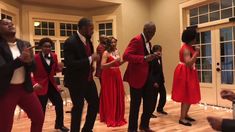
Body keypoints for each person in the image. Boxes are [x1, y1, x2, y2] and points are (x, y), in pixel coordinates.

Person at [0, 18, 44, 132]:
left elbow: (33, 68)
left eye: (11, 23)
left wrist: (29, 61)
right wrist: (20, 60)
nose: (10, 25)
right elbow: (2, 70)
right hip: (6, 90)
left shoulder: (24, 44)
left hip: (25, 88)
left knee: (39, 118)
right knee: (4, 126)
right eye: (5, 24)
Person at [63, 17, 100, 132]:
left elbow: (84, 58)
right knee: (78, 108)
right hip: (76, 82)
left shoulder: (88, 40)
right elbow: (70, 64)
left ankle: (87, 129)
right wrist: (90, 59)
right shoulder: (70, 42)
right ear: (83, 28)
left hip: (88, 80)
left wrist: (91, 66)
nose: (93, 31)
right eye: (91, 28)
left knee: (95, 104)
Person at [123, 21, 157, 132]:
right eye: (152, 32)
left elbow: (146, 57)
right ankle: (132, 130)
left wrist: (153, 56)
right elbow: (126, 56)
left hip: (147, 77)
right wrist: (144, 58)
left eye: (154, 32)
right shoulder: (136, 40)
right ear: (146, 30)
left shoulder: (149, 43)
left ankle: (144, 125)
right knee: (135, 106)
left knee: (149, 104)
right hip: (136, 78)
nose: (153, 34)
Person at [31, 37, 69, 132]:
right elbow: (29, 73)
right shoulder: (35, 58)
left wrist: (60, 68)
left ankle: (59, 125)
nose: (48, 48)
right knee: (41, 109)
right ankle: (38, 128)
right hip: (40, 86)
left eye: (49, 46)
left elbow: (55, 70)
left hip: (52, 85)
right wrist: (34, 84)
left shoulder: (54, 56)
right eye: (45, 46)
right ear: (41, 47)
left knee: (59, 103)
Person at [171, 28, 201, 126]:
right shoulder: (186, 49)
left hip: (189, 72)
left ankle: (185, 115)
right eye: (195, 37)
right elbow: (188, 63)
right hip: (184, 72)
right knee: (186, 95)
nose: (196, 39)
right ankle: (182, 118)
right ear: (191, 38)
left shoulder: (189, 46)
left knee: (189, 94)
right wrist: (196, 53)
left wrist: (195, 52)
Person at [99, 37, 126, 127]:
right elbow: (102, 66)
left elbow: (118, 64)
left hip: (117, 74)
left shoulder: (117, 51)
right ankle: (110, 117)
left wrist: (125, 60)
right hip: (108, 76)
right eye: (112, 42)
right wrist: (114, 61)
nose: (113, 44)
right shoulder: (106, 53)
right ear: (108, 44)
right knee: (111, 96)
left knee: (118, 95)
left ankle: (118, 115)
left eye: (115, 42)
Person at [151, 45, 168, 118]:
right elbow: (150, 72)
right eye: (158, 50)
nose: (159, 52)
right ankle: (150, 112)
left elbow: (160, 70)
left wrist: (162, 79)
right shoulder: (152, 59)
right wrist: (154, 82)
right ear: (154, 51)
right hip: (155, 82)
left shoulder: (160, 58)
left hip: (160, 80)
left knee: (163, 95)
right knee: (153, 98)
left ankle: (160, 108)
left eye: (160, 50)